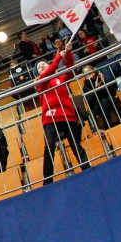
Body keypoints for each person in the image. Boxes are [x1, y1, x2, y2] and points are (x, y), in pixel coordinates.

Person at [34, 41, 91, 184]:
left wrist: (68, 53)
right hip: (50, 117)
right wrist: (59, 56)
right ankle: (48, 181)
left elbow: (70, 69)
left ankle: (87, 168)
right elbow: (51, 69)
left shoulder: (60, 77)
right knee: (50, 147)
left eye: (44, 64)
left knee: (75, 144)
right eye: (39, 67)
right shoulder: (40, 81)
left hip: (66, 114)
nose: (42, 67)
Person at [80, 63, 121, 128]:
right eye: (85, 72)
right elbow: (89, 102)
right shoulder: (85, 87)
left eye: (89, 71)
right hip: (97, 107)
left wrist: (104, 83)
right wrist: (96, 89)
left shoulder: (102, 80)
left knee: (110, 99)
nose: (87, 73)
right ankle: (108, 126)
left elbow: (113, 92)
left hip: (110, 102)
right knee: (103, 101)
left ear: (94, 71)